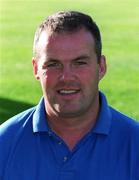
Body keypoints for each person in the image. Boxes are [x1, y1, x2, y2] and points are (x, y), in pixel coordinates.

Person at [0, 11, 139, 180]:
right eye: (53, 64)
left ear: (101, 67)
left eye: (79, 63)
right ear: (36, 68)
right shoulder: (4, 143)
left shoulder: (135, 144)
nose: (66, 77)